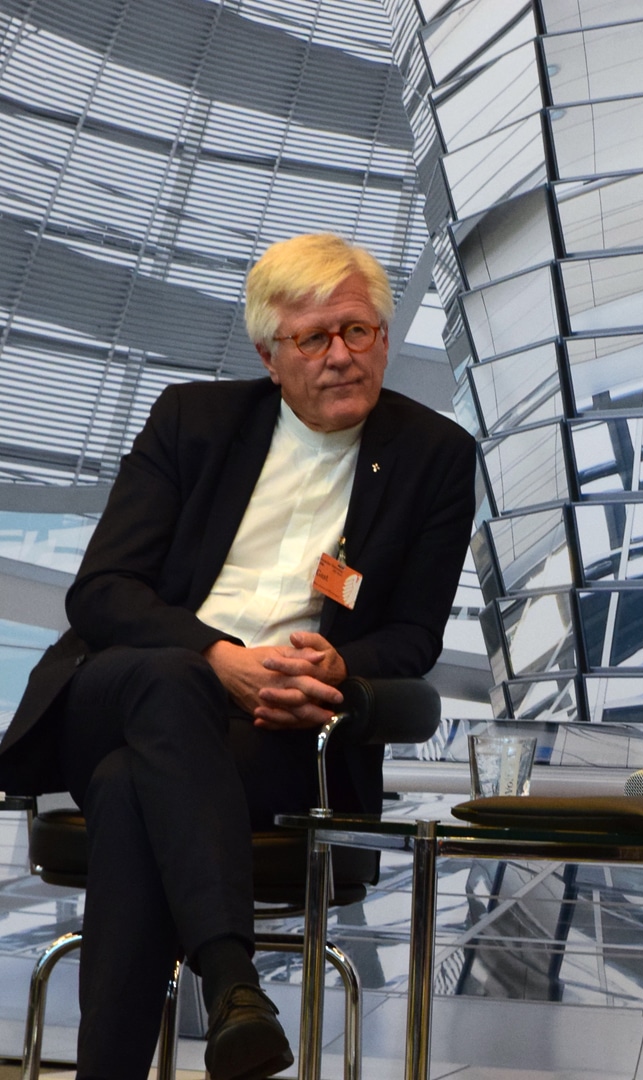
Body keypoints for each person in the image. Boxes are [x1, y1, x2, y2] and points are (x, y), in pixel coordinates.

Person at [0, 234, 476, 1079]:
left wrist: (334, 670)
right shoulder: (194, 420)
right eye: (315, 339)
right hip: (128, 685)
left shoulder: (433, 456)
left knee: (126, 788)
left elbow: (412, 637)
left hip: (274, 730)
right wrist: (217, 655)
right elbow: (104, 591)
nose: (341, 356)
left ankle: (165, 1039)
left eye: (358, 332)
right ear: (268, 354)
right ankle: (232, 977)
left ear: (386, 337)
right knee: (170, 678)